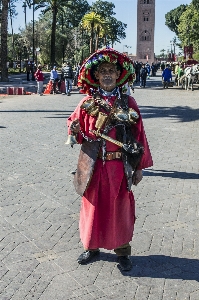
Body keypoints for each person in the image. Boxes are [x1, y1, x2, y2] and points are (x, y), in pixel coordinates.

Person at [66, 47, 153, 272]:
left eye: (111, 71)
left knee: (120, 209)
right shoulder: (87, 103)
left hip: (118, 166)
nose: (106, 74)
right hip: (92, 165)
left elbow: (139, 135)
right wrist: (74, 129)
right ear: (96, 76)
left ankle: (122, 251)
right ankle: (91, 247)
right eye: (102, 70)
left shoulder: (128, 104)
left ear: (117, 75)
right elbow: (73, 127)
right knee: (92, 207)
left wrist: (140, 167)